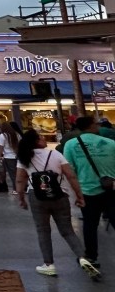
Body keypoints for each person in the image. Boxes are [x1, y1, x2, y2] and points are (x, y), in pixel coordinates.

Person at [14, 128, 96, 278]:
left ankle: (49, 264)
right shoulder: (56, 154)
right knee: (67, 230)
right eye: (41, 138)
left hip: (37, 198)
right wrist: (79, 195)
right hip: (60, 196)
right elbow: (71, 176)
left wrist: (21, 198)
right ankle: (83, 258)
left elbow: (20, 180)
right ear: (35, 141)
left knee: (43, 231)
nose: (44, 140)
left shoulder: (24, 158)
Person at [62, 115, 115, 276]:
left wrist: (75, 193)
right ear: (92, 125)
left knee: (90, 225)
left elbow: (69, 171)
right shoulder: (111, 143)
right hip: (111, 189)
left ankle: (91, 256)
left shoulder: (71, 145)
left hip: (86, 190)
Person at [0, 121, 22, 194]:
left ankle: (16, 189)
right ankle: (22, 187)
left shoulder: (3, 136)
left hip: (8, 157)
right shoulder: (16, 134)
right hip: (17, 156)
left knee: (12, 174)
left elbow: (0, 147)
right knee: (19, 173)